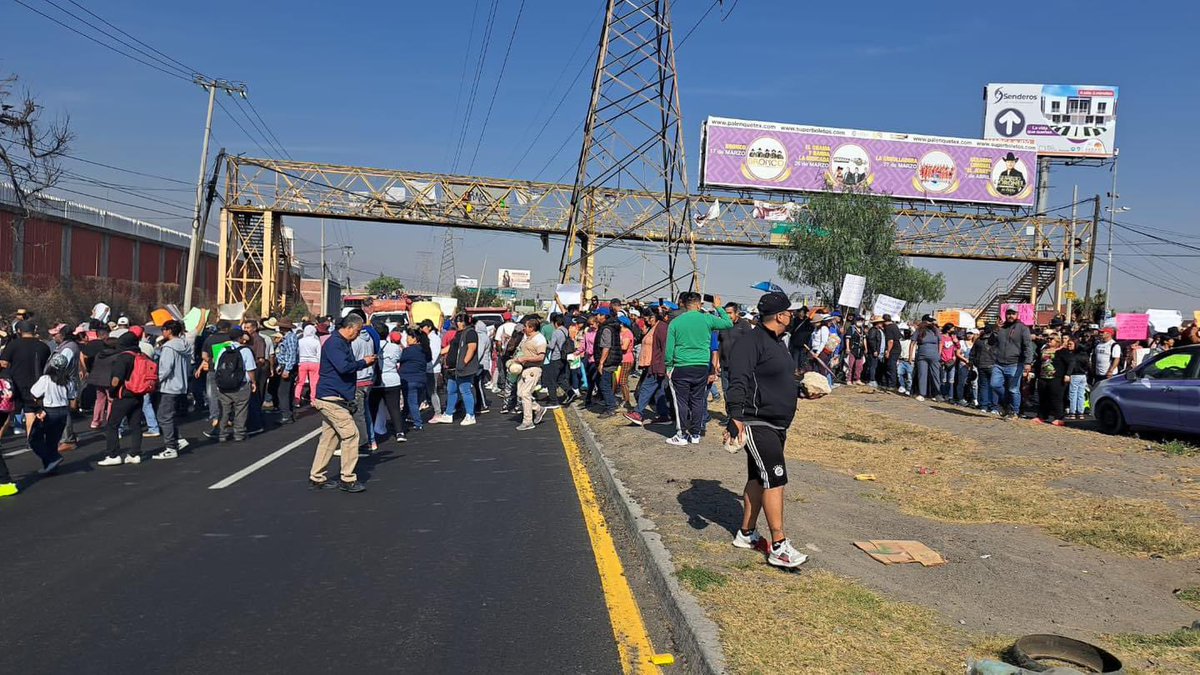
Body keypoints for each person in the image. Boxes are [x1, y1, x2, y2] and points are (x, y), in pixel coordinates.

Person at [725, 291, 808, 569]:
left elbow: (779, 378)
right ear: (781, 316)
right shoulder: (750, 341)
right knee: (776, 479)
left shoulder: (778, 342)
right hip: (758, 422)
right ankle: (779, 545)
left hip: (778, 423)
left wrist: (803, 390)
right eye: (790, 312)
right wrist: (735, 416)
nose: (793, 316)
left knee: (759, 479)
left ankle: (746, 534)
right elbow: (738, 379)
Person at [309, 313, 376, 493]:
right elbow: (344, 367)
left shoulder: (341, 343)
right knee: (351, 435)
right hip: (331, 397)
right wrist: (364, 362)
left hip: (335, 397)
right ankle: (347, 478)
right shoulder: (335, 343)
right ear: (350, 328)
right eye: (358, 331)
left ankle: (317, 476)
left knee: (329, 438)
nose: (358, 335)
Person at [665, 292, 733, 445]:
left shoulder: (676, 322)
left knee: (681, 402)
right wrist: (719, 307)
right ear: (698, 304)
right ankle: (695, 433)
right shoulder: (707, 319)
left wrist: (669, 365)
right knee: (697, 400)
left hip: (681, 365)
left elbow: (669, 348)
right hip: (701, 365)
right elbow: (728, 323)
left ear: (684, 304)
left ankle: (681, 434)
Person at [98, 330, 148, 466]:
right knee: (135, 425)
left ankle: (113, 454)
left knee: (112, 424)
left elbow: (116, 379)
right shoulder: (141, 355)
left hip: (124, 395)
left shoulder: (123, 357)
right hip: (139, 394)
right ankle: (135, 453)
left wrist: (112, 392)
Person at [0, 319, 51, 439]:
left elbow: (3, 363)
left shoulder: (13, 345)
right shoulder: (43, 346)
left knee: (7, 413)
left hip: (15, 383)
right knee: (31, 412)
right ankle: (31, 439)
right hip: (37, 384)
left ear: (19, 331)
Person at [625, 306, 671, 426]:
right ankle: (663, 415)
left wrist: (661, 367)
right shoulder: (653, 327)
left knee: (645, 388)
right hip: (651, 364)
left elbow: (665, 349)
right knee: (658, 391)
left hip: (656, 365)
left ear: (653, 317)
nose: (645, 321)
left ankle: (638, 413)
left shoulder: (661, 328)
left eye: (647, 319)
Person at [432, 313, 479, 426]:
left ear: (464, 322)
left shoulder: (471, 332)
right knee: (451, 390)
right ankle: (448, 414)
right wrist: (438, 353)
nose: (457, 323)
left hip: (463, 369)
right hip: (453, 369)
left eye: (459, 321)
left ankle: (470, 415)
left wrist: (464, 363)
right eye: (456, 321)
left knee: (465, 391)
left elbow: (471, 349)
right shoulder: (458, 333)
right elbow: (452, 346)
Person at [153, 320, 191, 459]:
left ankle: (170, 447)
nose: (162, 332)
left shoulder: (169, 347)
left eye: (163, 329)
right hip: (181, 383)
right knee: (170, 415)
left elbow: (165, 368)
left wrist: (157, 381)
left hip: (169, 385)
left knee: (163, 416)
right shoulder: (185, 344)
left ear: (169, 331)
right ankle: (178, 439)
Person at [212, 327, 256, 443]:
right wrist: (253, 382)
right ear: (241, 338)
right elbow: (250, 369)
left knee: (225, 410)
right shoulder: (245, 350)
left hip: (224, 386)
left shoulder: (223, 350)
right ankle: (239, 434)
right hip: (241, 385)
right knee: (241, 410)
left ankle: (222, 433)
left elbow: (217, 368)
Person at [990, 307, 1033, 417]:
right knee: (994, 384)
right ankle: (1006, 404)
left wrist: (1028, 362)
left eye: (1013, 313)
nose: (1010, 316)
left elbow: (1028, 346)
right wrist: (995, 330)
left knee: (1013, 389)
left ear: (1017, 314)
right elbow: (990, 342)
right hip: (999, 363)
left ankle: (1014, 412)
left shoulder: (1023, 328)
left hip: (1015, 363)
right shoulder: (1001, 328)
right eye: (1008, 313)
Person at [514, 317, 549, 431]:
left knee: (525, 393)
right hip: (525, 369)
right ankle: (538, 409)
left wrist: (525, 358)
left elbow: (541, 356)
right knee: (521, 393)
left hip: (533, 369)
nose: (524, 328)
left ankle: (528, 421)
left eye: (526, 326)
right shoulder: (527, 337)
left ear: (532, 328)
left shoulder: (539, 339)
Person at [397, 328, 430, 434]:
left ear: (415, 339)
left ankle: (418, 423)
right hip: (421, 379)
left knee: (412, 402)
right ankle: (401, 420)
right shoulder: (423, 350)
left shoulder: (408, 351)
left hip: (409, 379)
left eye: (408, 337)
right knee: (410, 402)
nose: (406, 339)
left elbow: (399, 358)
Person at [591, 308, 622, 417]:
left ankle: (611, 407)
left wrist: (601, 362)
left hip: (608, 361)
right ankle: (610, 404)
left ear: (604, 316)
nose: (596, 317)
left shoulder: (606, 329)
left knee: (604, 385)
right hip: (611, 359)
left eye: (598, 315)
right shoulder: (612, 327)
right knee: (604, 383)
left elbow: (606, 347)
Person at [1033, 335, 1070, 426]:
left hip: (1056, 378)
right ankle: (1042, 416)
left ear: (1057, 341)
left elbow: (1071, 362)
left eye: (1051, 339)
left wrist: (1068, 374)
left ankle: (1059, 418)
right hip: (1043, 377)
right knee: (1043, 397)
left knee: (1056, 398)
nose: (1049, 340)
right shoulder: (1043, 350)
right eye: (1048, 339)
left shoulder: (1062, 351)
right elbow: (1038, 362)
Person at [717, 302, 752, 395]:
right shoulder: (722, 326)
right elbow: (720, 344)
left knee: (738, 391)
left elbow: (750, 345)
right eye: (726, 313)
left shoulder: (744, 325)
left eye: (730, 313)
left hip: (740, 366)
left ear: (737, 313)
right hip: (725, 365)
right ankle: (729, 409)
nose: (727, 316)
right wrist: (717, 362)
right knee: (726, 390)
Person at [274, 318, 298, 424]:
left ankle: (286, 415)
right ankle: (289, 413)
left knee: (283, 392)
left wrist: (287, 369)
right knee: (286, 391)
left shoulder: (290, 338)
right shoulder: (285, 338)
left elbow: (292, 354)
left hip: (288, 367)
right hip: (284, 365)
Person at [911, 316, 941, 402]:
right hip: (922, 356)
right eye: (929, 321)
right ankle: (922, 394)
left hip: (934, 356)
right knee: (922, 374)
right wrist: (910, 356)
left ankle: (937, 393)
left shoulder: (935, 330)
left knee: (935, 374)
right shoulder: (919, 330)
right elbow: (912, 343)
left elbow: (940, 342)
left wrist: (938, 354)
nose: (930, 323)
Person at [970, 325, 998, 414]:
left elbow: (972, 353)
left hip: (981, 366)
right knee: (994, 387)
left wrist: (974, 363)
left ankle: (984, 406)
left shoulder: (979, 341)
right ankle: (994, 407)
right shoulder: (996, 340)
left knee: (983, 386)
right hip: (994, 365)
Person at [419, 320, 443, 416]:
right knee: (429, 391)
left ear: (429, 327)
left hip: (433, 369)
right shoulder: (427, 338)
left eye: (423, 327)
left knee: (432, 391)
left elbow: (435, 354)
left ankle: (438, 412)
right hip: (428, 368)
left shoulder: (434, 338)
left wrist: (428, 366)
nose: (421, 329)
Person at [295, 324, 322, 407]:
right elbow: (319, 354)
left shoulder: (300, 341)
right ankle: (313, 400)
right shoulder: (316, 341)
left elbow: (297, 352)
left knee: (300, 383)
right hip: (314, 363)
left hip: (302, 362)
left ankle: (297, 400)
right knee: (314, 383)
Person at [1063, 337, 1089, 421]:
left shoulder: (1073, 356)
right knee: (1081, 394)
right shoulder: (1084, 355)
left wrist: (1068, 374)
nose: (1068, 345)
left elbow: (1072, 365)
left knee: (1073, 394)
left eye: (1070, 344)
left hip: (1075, 375)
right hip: (1083, 375)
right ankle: (1080, 413)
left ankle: (1072, 413)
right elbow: (1088, 365)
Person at [882, 314, 903, 389]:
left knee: (891, 367)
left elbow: (890, 341)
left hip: (893, 349)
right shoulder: (895, 326)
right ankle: (890, 383)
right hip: (897, 348)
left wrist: (888, 352)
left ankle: (892, 385)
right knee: (891, 366)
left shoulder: (889, 328)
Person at [864, 316, 885, 387]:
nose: (882, 324)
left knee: (874, 365)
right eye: (881, 322)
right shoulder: (873, 330)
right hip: (873, 351)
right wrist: (874, 350)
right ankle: (871, 380)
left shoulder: (878, 330)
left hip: (876, 351)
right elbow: (871, 340)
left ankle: (872, 379)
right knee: (872, 366)